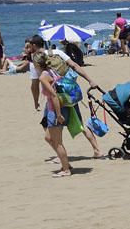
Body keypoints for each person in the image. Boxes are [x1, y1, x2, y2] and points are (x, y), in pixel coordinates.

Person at [30, 35, 105, 164]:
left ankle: (61, 157)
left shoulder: (37, 61)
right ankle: (97, 150)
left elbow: (35, 85)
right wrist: (90, 80)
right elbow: (75, 65)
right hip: (69, 94)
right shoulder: (57, 52)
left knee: (51, 131)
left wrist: (36, 101)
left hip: (55, 99)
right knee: (79, 124)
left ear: (34, 46)